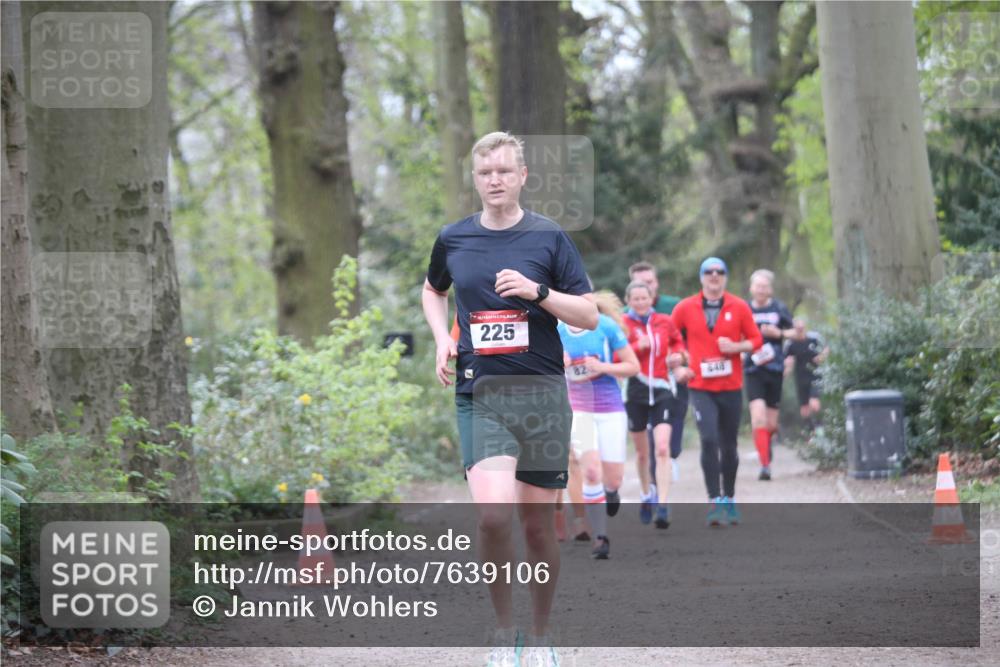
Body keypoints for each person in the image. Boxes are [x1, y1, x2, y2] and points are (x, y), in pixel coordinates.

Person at [422, 131, 597, 667]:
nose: (494, 180)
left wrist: (538, 292)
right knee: (495, 518)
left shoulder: (549, 238)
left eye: (503, 171)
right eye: (484, 172)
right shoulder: (454, 239)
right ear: (474, 179)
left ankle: (541, 637)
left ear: (522, 177)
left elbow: (589, 315)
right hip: (482, 394)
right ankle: (503, 634)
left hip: (542, 395)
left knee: (537, 526)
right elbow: (434, 289)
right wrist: (441, 337)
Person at [671, 257, 763, 526]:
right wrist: (680, 361)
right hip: (700, 386)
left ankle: (729, 498)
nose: (714, 276)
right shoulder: (686, 307)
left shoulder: (739, 306)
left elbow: (756, 340)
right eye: (708, 272)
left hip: (731, 387)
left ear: (725, 277)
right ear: (701, 277)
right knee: (709, 439)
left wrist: (736, 348)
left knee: (729, 444)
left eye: (719, 272)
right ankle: (714, 500)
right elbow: (670, 337)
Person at [558, 290, 639, 558]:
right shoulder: (555, 330)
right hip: (578, 410)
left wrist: (603, 367)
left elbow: (632, 366)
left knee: (612, 478)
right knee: (591, 471)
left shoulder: (605, 325)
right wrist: (559, 365)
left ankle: (612, 491)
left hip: (610, 408)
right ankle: (600, 537)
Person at [622, 281, 688, 529]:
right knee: (642, 453)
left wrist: (678, 356)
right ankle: (645, 493)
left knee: (662, 448)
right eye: (635, 299)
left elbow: (678, 343)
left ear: (652, 299)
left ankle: (662, 503)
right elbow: (615, 355)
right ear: (628, 301)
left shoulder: (664, 321)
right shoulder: (623, 324)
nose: (640, 302)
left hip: (662, 389)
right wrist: (636, 347)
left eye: (644, 298)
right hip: (635, 392)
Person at [628, 262, 688, 484]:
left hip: (672, 379)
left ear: (657, 283)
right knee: (652, 439)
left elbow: (685, 340)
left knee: (675, 435)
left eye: (649, 283)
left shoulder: (674, 307)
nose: (645, 289)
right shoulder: (625, 317)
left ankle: (669, 458)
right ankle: (657, 476)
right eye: (640, 284)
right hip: (640, 384)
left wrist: (681, 359)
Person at [743, 269, 794, 481]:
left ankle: (766, 444)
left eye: (765, 286)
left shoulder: (779, 308)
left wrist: (779, 333)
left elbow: (795, 333)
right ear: (751, 288)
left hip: (775, 368)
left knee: (771, 423)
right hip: (752, 367)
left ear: (770, 289)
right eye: (758, 286)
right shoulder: (743, 309)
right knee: (758, 418)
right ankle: (765, 466)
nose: (761, 290)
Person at [784, 317, 828, 432]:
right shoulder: (790, 343)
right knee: (804, 409)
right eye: (797, 329)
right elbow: (787, 359)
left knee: (814, 403)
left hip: (815, 375)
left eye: (801, 328)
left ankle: (820, 431)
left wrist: (821, 356)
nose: (799, 331)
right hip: (800, 377)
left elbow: (826, 348)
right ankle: (810, 433)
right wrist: (787, 369)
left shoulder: (814, 338)